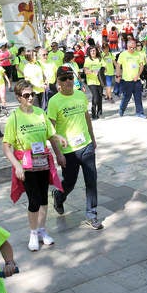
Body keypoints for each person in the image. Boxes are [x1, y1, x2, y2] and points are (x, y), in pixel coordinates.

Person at [3, 80, 67, 251]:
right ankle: (33, 233)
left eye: (32, 94)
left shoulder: (40, 112)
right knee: (34, 199)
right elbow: (6, 147)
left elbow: (50, 134)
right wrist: (17, 166)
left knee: (44, 198)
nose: (31, 97)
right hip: (26, 164)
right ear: (18, 98)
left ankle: (42, 230)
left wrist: (59, 139)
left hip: (42, 161)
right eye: (26, 95)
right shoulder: (14, 118)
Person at [48, 66, 103, 230]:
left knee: (91, 180)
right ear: (58, 81)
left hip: (86, 146)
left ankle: (91, 215)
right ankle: (59, 195)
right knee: (69, 183)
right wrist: (58, 154)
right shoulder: (54, 101)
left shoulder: (80, 95)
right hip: (68, 151)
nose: (68, 81)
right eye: (64, 78)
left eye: (70, 77)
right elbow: (51, 131)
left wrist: (92, 139)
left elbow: (87, 118)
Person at [115, 38, 147, 118]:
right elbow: (118, 65)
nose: (132, 49)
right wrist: (118, 75)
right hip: (126, 81)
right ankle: (122, 109)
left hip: (137, 80)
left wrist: (138, 75)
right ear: (127, 46)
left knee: (138, 97)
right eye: (130, 47)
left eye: (134, 47)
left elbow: (141, 66)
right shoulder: (123, 54)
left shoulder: (138, 54)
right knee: (127, 97)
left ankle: (140, 112)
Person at [82, 46, 104, 119]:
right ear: (89, 52)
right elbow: (85, 70)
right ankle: (93, 112)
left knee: (100, 96)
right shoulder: (87, 60)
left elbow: (104, 67)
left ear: (96, 51)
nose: (93, 52)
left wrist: (100, 71)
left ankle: (99, 112)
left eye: (94, 51)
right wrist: (92, 71)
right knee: (95, 96)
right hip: (91, 81)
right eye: (91, 51)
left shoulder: (100, 59)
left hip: (100, 81)